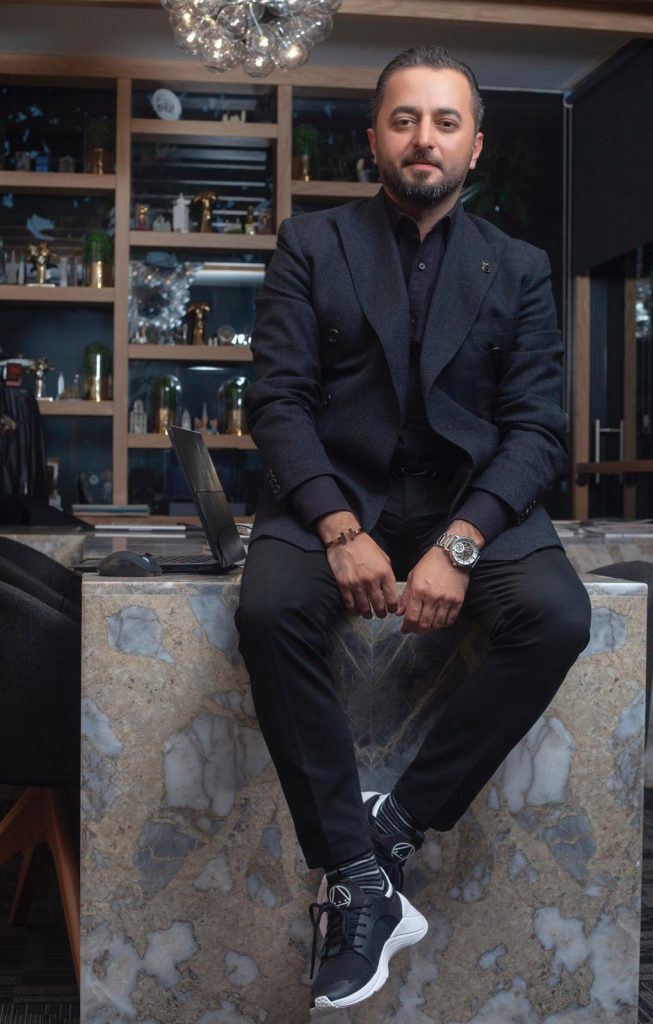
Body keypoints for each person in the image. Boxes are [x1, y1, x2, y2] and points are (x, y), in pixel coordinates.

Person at [236, 45, 591, 1016]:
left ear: (474, 145)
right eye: (403, 119)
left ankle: (392, 829)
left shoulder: (518, 267)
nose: (422, 137)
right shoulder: (311, 243)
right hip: (332, 495)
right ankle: (354, 877)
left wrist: (462, 541)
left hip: (470, 500)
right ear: (374, 138)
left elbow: (536, 429)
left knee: (557, 617)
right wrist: (336, 524)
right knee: (267, 610)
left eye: (443, 121)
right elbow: (276, 399)